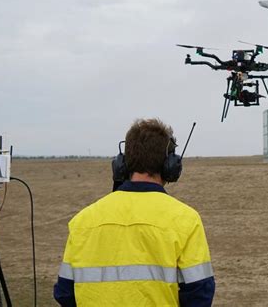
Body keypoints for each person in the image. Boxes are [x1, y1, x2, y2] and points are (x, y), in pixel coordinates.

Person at [54, 118, 215, 306]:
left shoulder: (82, 221)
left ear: (122, 164)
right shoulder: (186, 221)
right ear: (171, 166)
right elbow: (199, 295)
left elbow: (65, 293)